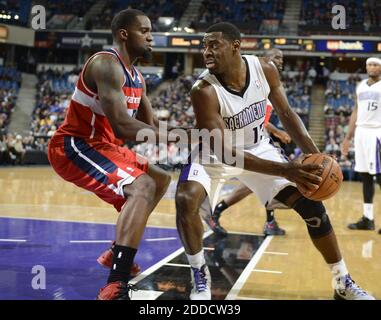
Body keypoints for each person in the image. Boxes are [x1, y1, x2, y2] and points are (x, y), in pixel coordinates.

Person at [175, 22, 374, 300]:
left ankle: (343, 281)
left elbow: (288, 115)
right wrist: (286, 169)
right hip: (216, 154)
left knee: (311, 206)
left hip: (258, 146)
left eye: (214, 45)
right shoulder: (203, 90)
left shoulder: (263, 69)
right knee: (185, 198)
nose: (206, 52)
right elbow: (224, 153)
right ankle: (199, 275)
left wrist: (317, 157)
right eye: (204, 46)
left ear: (235, 46)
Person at [48, 9, 175, 300]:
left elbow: (152, 126)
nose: (151, 36)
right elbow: (124, 125)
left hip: (103, 147)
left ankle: (116, 252)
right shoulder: (106, 63)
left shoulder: (138, 78)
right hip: (74, 145)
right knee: (142, 186)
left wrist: (194, 134)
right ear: (124, 34)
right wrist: (183, 138)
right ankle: (115, 284)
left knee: (160, 179)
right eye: (144, 30)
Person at [206, 48, 291, 237]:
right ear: (264, 59)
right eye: (276, 57)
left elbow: (260, 119)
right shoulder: (255, 80)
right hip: (241, 144)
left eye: (282, 58)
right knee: (272, 180)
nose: (280, 61)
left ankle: (216, 212)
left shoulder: (269, 81)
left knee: (254, 186)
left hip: (254, 141)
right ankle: (269, 223)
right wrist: (278, 131)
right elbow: (255, 118)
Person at [341, 57, 381, 234]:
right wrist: (348, 137)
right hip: (361, 133)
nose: (372, 67)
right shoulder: (361, 86)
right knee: (365, 176)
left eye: (375, 65)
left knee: (379, 177)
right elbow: (355, 111)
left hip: (377, 132)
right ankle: (368, 219)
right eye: (369, 65)